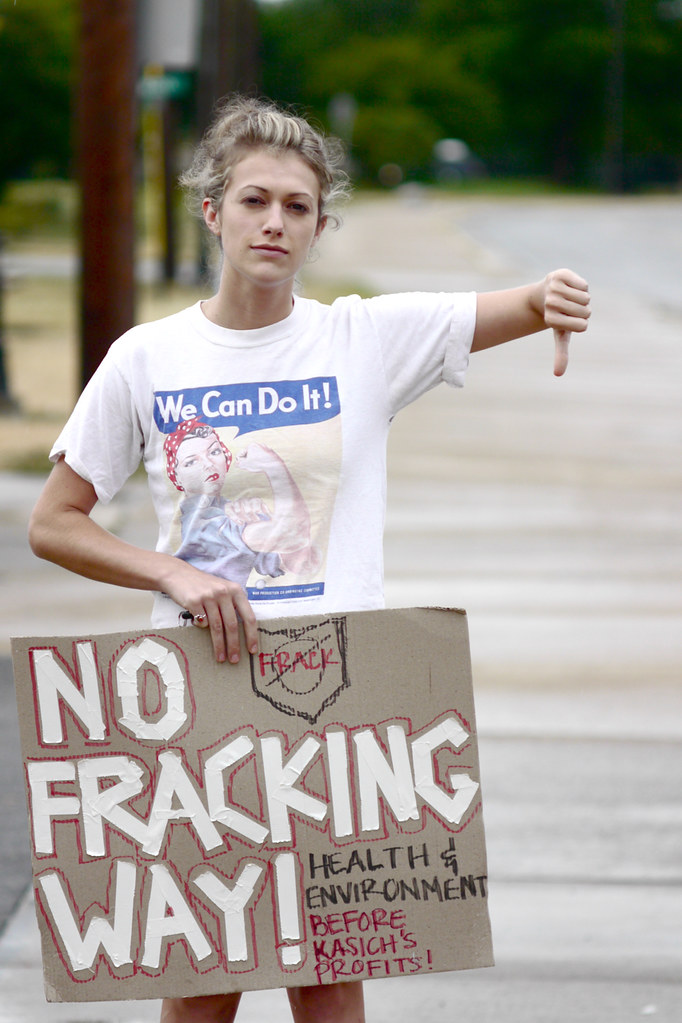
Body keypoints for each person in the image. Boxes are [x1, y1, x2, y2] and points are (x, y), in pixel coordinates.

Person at [28, 95, 591, 1023]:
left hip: (336, 699)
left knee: (329, 984)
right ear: (212, 210)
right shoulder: (147, 358)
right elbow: (55, 521)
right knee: (203, 987)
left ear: (321, 226)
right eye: (255, 200)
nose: (275, 222)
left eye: (298, 206)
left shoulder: (363, 339)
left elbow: (522, 304)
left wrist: (553, 296)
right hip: (198, 697)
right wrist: (175, 573)